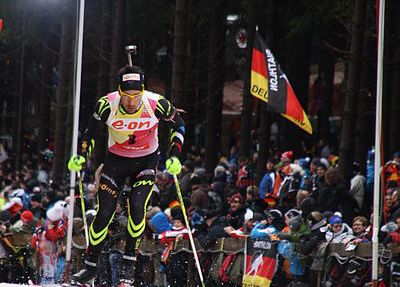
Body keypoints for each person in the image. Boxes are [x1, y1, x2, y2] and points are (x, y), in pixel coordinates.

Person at [67, 65, 185, 285]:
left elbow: (179, 127)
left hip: (146, 162)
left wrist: (175, 156)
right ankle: (91, 266)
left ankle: (128, 267)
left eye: (136, 95)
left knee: (138, 207)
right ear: (119, 91)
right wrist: (81, 155)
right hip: (116, 163)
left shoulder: (157, 103)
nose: (131, 101)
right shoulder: (106, 104)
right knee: (104, 213)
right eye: (126, 95)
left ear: (142, 92)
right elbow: (89, 134)